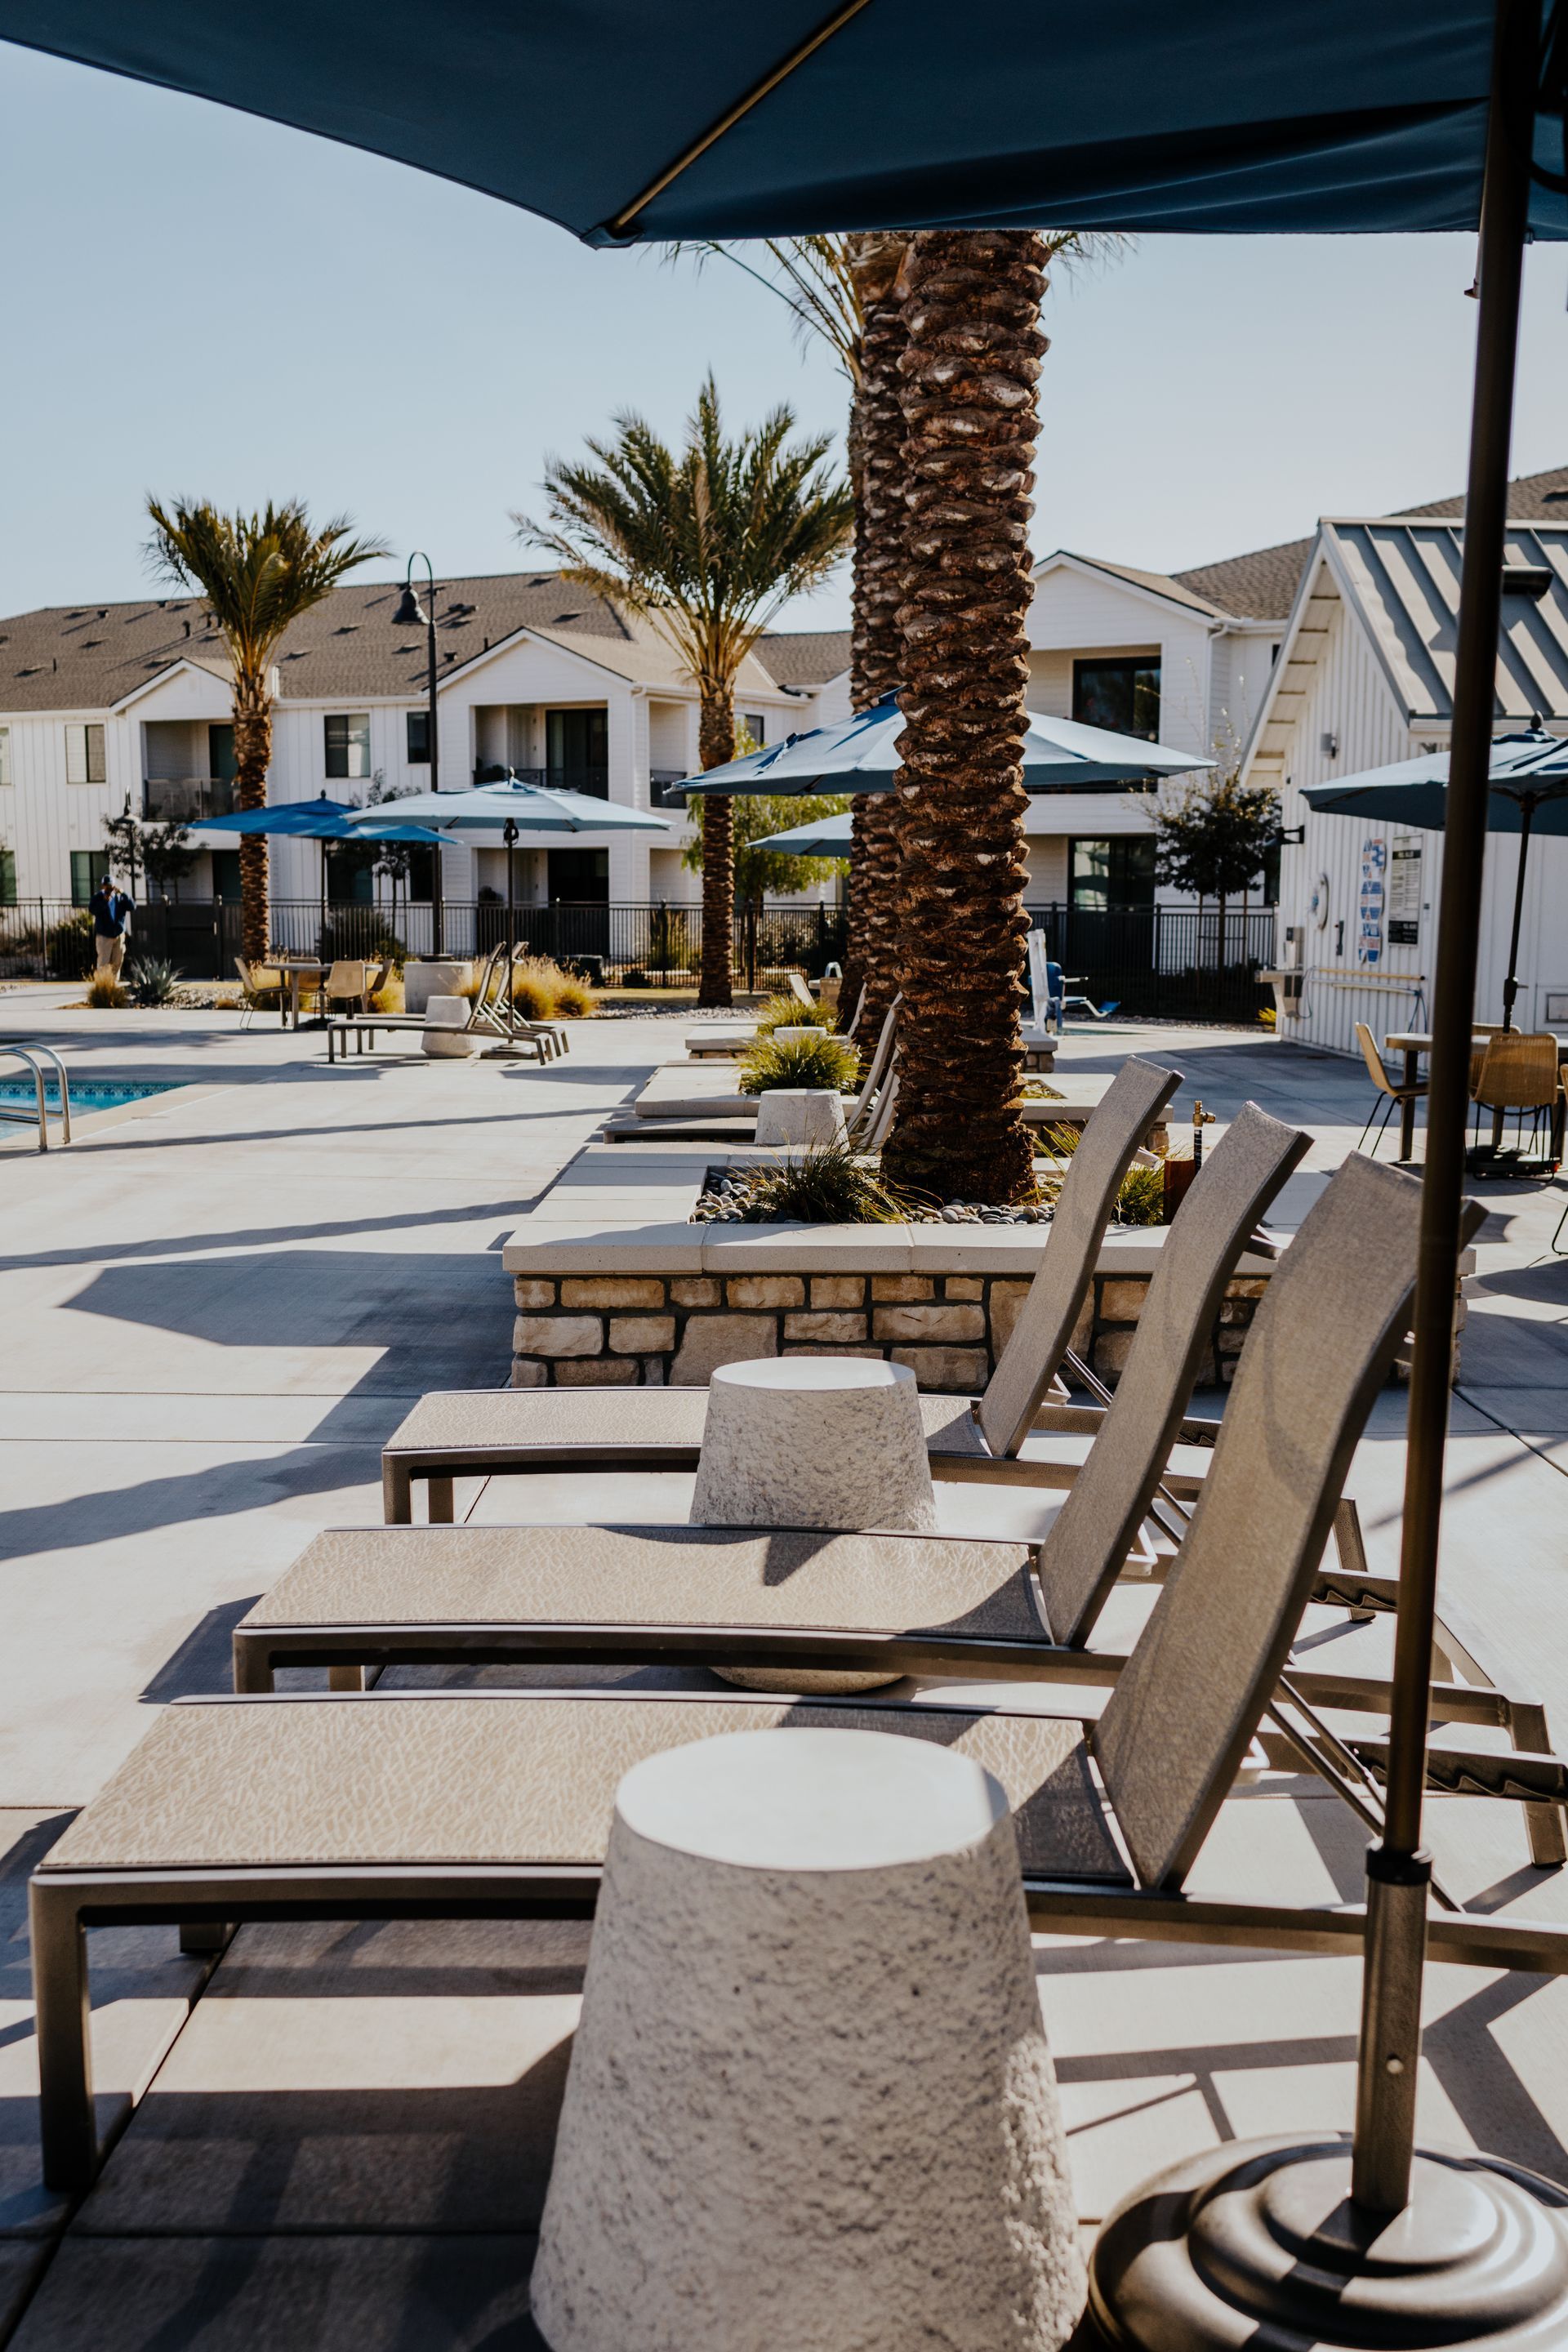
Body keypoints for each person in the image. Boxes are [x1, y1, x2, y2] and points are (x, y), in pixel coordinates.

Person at [89, 871, 134, 977]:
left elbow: (132, 906)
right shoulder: (98, 897)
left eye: (111, 887)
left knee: (117, 961)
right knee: (103, 963)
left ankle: (113, 983)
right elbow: (92, 910)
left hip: (118, 934)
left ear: (114, 886)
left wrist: (123, 893)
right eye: (107, 886)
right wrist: (104, 902)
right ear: (103, 886)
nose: (109, 889)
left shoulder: (120, 897)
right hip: (104, 935)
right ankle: (103, 983)